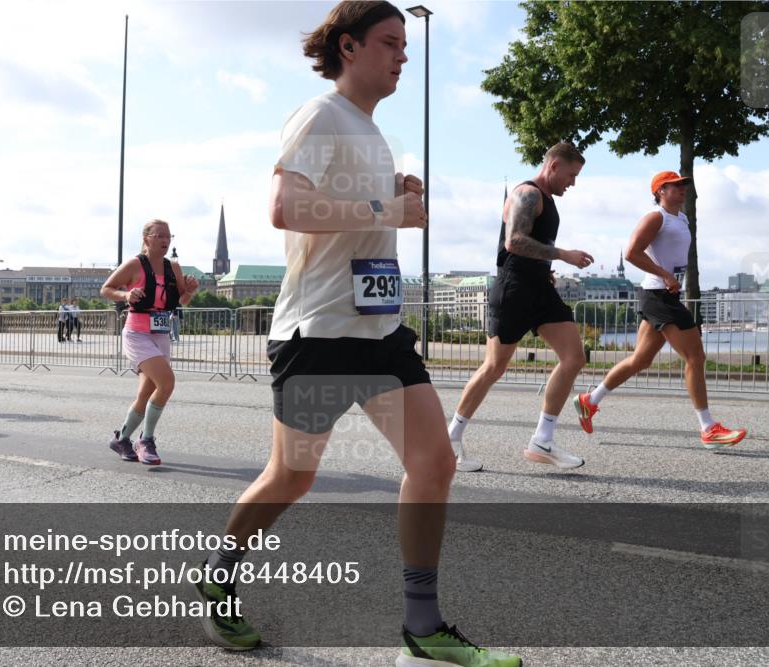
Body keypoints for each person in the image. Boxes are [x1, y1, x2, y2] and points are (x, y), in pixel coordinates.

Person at [188, 4, 521, 666]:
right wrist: (384, 206)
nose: (403, 55)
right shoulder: (320, 115)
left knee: (434, 462)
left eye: (406, 44)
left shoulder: (374, 133)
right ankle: (218, 575)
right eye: (390, 43)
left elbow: (358, 216)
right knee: (291, 475)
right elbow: (286, 208)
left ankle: (422, 626)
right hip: (319, 332)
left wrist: (397, 192)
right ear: (348, 46)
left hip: (380, 330)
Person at [572, 171, 747, 449]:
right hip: (659, 294)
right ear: (660, 191)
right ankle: (708, 428)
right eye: (675, 186)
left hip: (665, 295)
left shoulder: (682, 218)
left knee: (640, 360)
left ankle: (589, 400)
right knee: (695, 357)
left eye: (683, 186)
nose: (681, 189)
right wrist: (664, 274)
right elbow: (632, 253)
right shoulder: (656, 217)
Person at [448, 143, 593, 472]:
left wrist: (546, 269)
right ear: (553, 166)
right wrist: (564, 255)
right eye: (571, 175)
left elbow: (533, 246)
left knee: (574, 357)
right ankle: (451, 438)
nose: (573, 182)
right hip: (513, 290)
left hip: (539, 289)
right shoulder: (527, 194)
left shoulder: (548, 200)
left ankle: (543, 439)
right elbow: (514, 241)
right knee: (494, 369)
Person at [101, 220, 199, 465]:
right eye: (160, 236)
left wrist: (190, 290)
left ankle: (122, 438)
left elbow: (182, 301)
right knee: (166, 383)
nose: (166, 241)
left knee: (146, 392)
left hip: (160, 333)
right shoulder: (134, 264)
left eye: (169, 236)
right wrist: (126, 294)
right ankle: (146, 439)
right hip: (137, 333)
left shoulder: (173, 268)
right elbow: (106, 289)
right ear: (146, 239)